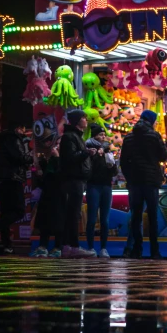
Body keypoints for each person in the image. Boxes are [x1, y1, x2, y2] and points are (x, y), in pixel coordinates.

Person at [120, 109, 167, 260]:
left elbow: (123, 162)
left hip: (134, 182)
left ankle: (136, 249)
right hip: (151, 181)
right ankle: (154, 251)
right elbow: (163, 156)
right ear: (151, 121)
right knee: (153, 217)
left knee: (136, 217)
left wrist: (130, 177)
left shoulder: (128, 137)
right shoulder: (154, 136)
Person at [0, 122, 33, 254]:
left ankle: (7, 245)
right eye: (23, 128)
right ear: (17, 128)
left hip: (2, 179)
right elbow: (20, 157)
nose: (23, 131)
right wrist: (32, 157)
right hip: (11, 178)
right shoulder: (14, 138)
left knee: (6, 212)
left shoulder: (5, 139)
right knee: (19, 210)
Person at [58, 109, 96, 259]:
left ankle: (68, 246)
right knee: (73, 214)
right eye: (84, 118)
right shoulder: (69, 137)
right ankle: (73, 246)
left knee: (73, 214)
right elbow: (70, 158)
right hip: (73, 180)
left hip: (77, 180)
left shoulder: (75, 136)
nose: (86, 120)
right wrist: (87, 153)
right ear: (77, 120)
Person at [85, 124, 117, 258]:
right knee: (92, 219)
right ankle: (91, 247)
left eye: (104, 134)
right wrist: (97, 155)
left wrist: (111, 166)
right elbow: (88, 168)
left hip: (106, 186)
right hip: (93, 186)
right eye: (100, 134)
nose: (103, 136)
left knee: (105, 220)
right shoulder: (88, 148)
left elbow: (114, 171)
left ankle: (103, 248)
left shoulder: (107, 149)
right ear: (94, 136)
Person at [31, 144, 62, 258]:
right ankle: (42, 246)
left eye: (59, 144)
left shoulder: (63, 159)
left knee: (58, 220)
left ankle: (58, 247)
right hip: (47, 193)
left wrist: (57, 158)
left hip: (60, 193)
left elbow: (61, 175)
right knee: (45, 220)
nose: (56, 146)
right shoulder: (47, 158)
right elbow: (43, 177)